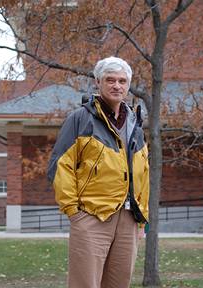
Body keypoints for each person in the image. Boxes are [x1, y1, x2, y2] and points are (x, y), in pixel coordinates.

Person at [47, 56, 149, 288]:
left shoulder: (135, 124)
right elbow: (59, 166)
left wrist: (142, 221)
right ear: (97, 82)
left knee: (118, 284)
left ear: (128, 85)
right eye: (110, 80)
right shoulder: (81, 119)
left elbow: (142, 175)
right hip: (91, 217)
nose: (117, 85)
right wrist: (74, 212)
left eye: (122, 81)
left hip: (129, 219)